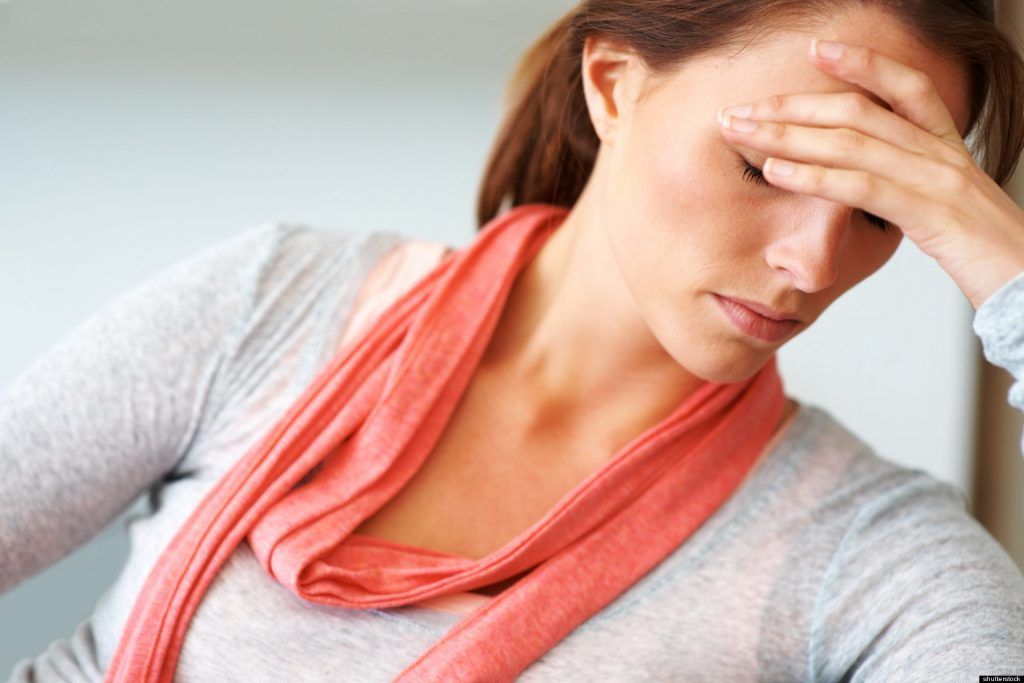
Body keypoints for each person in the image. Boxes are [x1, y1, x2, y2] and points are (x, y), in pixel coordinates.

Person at [3, 0, 1024, 680]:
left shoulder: (865, 547)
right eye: (769, 168)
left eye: (882, 209)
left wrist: (1009, 275)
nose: (813, 262)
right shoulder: (275, 299)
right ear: (615, 85)